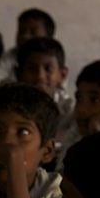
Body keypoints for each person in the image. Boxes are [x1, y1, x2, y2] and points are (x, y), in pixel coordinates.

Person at [15, 36, 77, 165]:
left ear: (62, 74)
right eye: (32, 69)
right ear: (18, 73)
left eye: (48, 69)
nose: (40, 76)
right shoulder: (11, 106)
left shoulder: (70, 108)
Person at [0, 7, 57, 84]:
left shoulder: (55, 60)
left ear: (48, 38)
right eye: (21, 31)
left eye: (33, 32)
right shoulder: (10, 57)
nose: (24, 36)